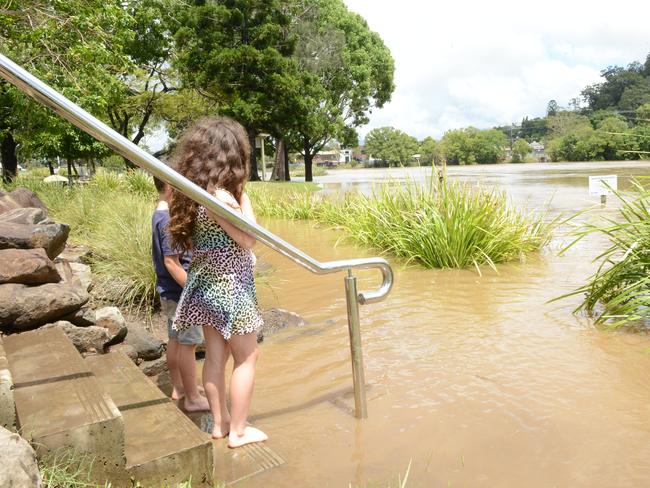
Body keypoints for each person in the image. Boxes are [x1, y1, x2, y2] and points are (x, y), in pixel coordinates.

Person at [168, 117, 267, 448]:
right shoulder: (219, 198)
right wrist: (244, 198)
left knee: (214, 358)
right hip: (231, 288)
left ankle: (220, 423)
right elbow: (250, 238)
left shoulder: (193, 196)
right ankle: (238, 431)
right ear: (232, 156)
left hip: (205, 286)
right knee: (247, 358)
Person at [152, 176, 210, 412]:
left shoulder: (159, 213)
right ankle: (193, 397)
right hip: (181, 292)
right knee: (189, 343)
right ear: (169, 185)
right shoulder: (168, 219)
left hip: (169, 291)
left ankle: (179, 388)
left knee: (176, 340)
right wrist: (196, 290)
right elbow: (172, 262)